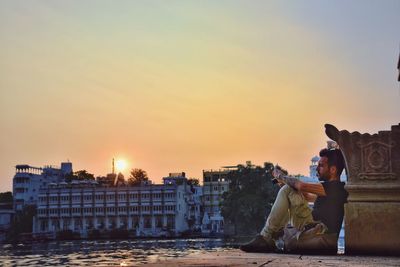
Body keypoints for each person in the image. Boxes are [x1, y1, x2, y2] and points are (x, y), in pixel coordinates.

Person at [240, 148, 348, 254]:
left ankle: (266, 237)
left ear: (333, 170)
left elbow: (300, 186)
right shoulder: (333, 192)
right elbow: (304, 196)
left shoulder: (335, 187)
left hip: (320, 236)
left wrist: (281, 176)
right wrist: (284, 183)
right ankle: (268, 238)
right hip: (318, 235)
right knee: (289, 190)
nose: (317, 168)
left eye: (321, 166)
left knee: (288, 189)